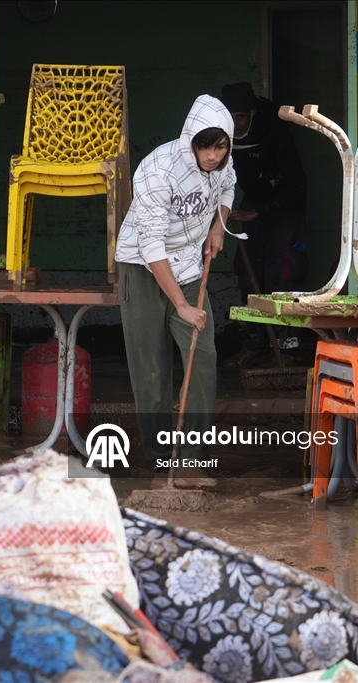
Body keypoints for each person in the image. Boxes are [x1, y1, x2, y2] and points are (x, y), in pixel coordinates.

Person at [114, 95, 234, 472]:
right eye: (205, 146)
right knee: (151, 370)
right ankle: (158, 455)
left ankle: (194, 456)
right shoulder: (157, 170)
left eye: (220, 146)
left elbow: (228, 188)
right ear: (190, 140)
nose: (212, 155)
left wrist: (219, 226)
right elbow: (150, 244)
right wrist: (181, 305)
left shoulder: (224, 164)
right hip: (143, 267)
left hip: (189, 266)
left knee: (203, 358)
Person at [220, 82, 308, 355]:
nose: (235, 125)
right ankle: (257, 338)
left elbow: (297, 184)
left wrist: (259, 212)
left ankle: (287, 340)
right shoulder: (220, 132)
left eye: (241, 117)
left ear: (253, 113)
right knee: (248, 270)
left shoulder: (273, 129)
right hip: (253, 199)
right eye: (230, 118)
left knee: (280, 268)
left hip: (284, 201)